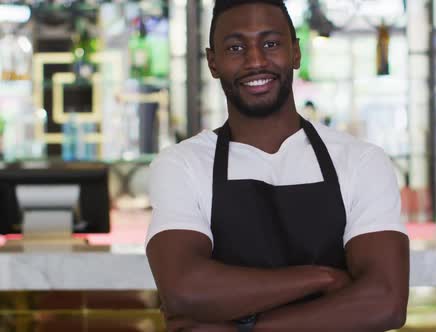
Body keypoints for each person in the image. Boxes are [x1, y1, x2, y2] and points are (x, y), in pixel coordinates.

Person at [145, 0, 409, 331]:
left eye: (270, 44)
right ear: (213, 62)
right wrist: (323, 278)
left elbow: (385, 303)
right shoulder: (183, 164)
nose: (255, 60)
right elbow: (183, 289)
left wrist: (247, 326)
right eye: (236, 47)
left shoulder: (360, 162)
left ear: (296, 53)